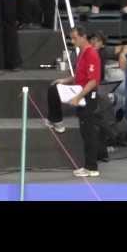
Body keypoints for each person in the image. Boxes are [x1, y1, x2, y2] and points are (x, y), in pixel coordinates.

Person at [46, 26, 102, 177]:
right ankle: (56, 120)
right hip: (79, 89)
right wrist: (64, 80)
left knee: (88, 132)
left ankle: (92, 168)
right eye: (71, 38)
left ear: (83, 37)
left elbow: (93, 81)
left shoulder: (91, 54)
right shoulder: (82, 52)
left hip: (87, 95)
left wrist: (78, 97)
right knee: (54, 89)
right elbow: (79, 76)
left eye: (75, 38)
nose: (72, 41)